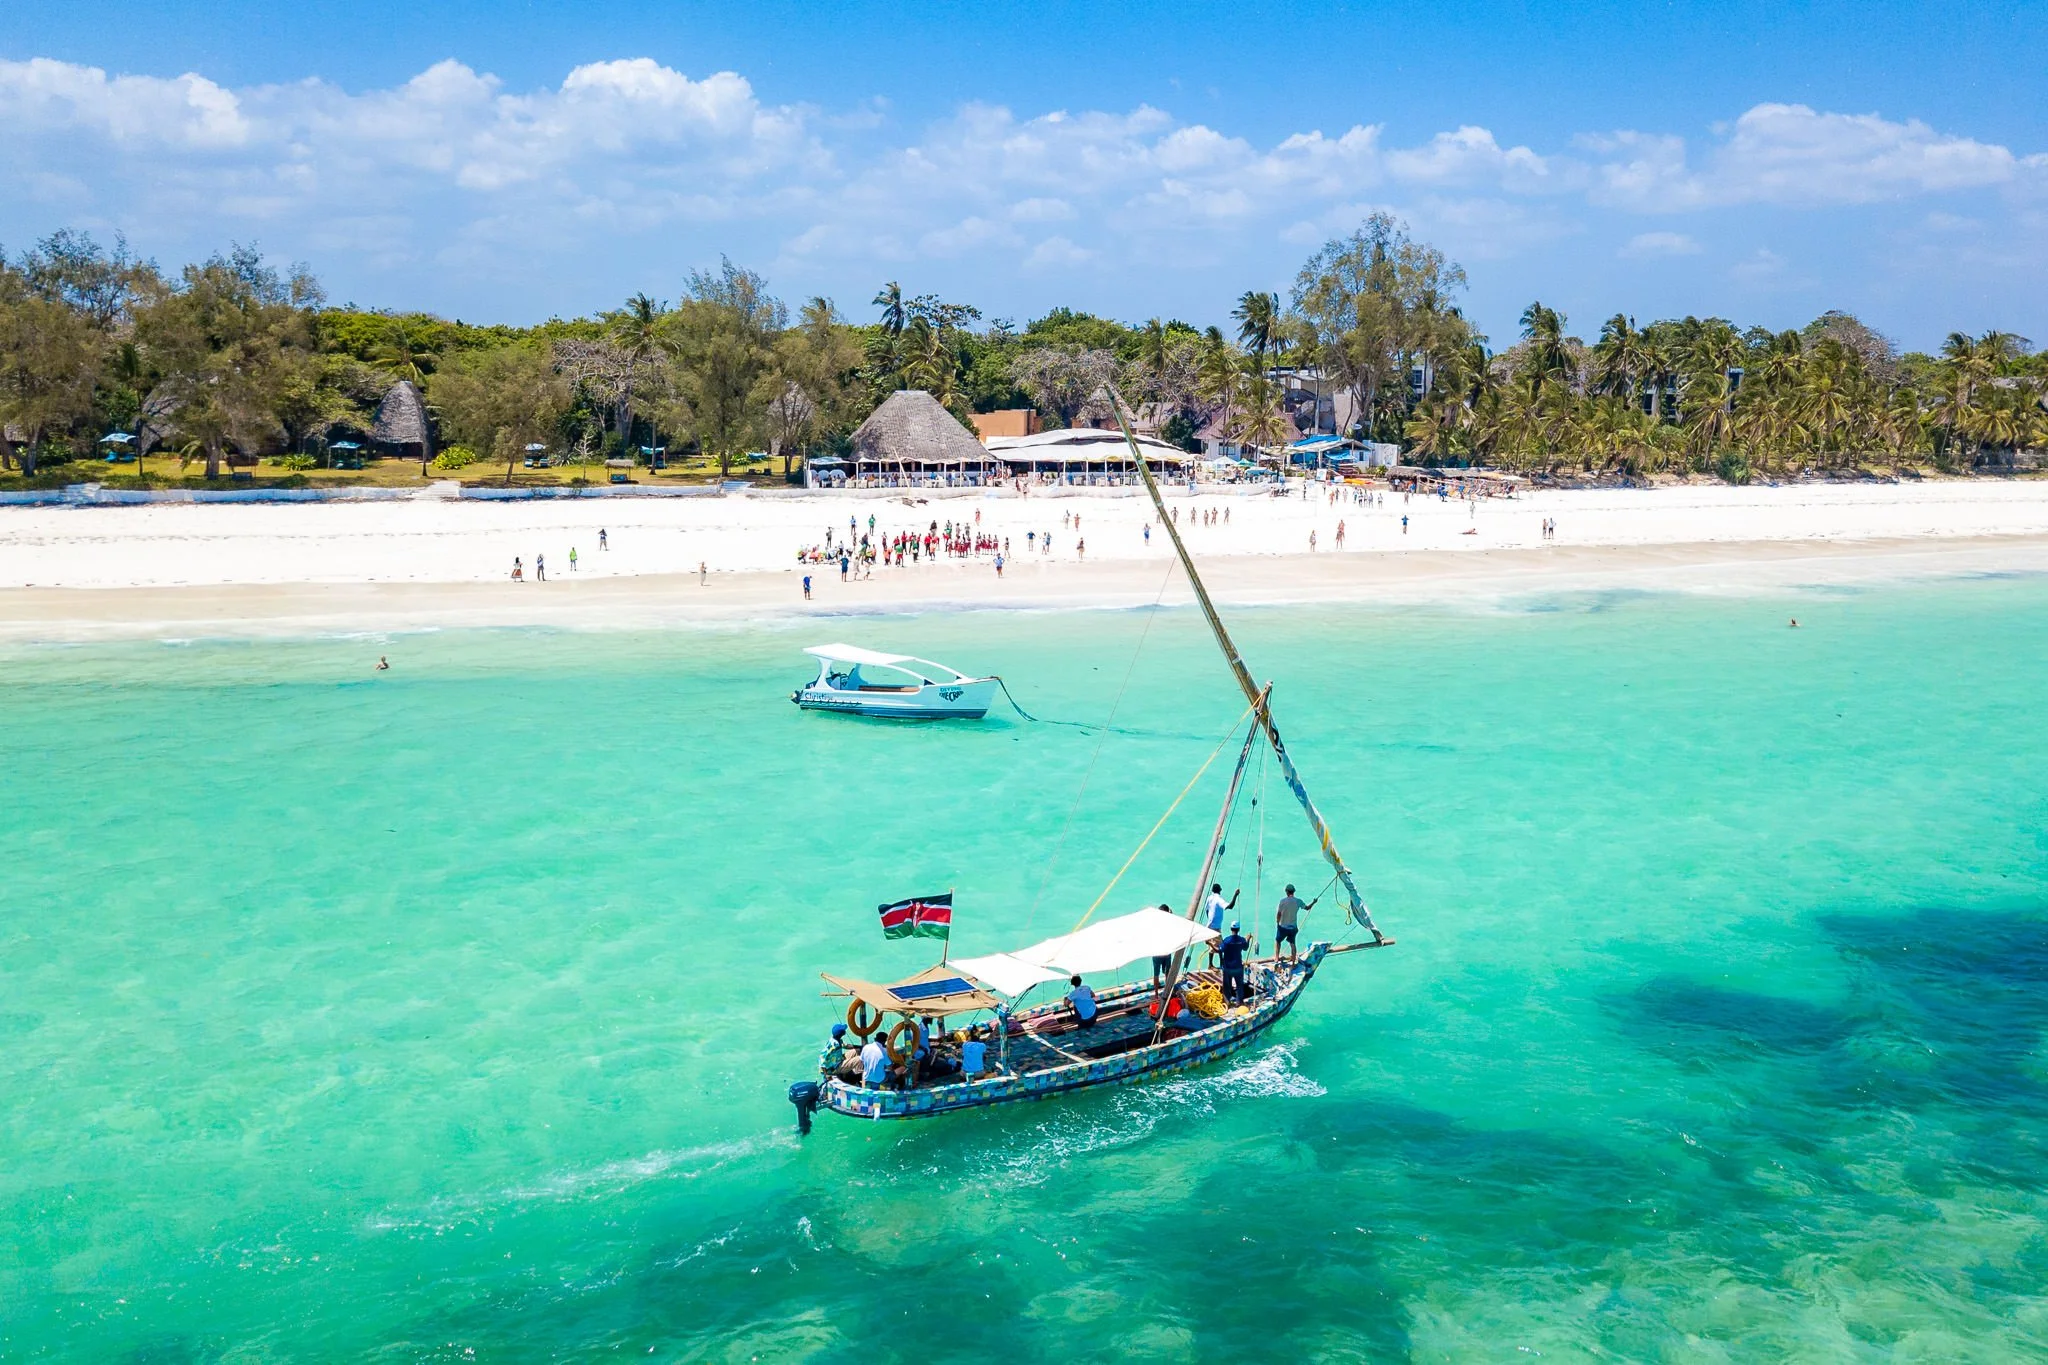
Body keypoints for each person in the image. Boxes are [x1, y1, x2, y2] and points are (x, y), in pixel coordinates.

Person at [1275, 883, 1314, 962]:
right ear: (1293, 892)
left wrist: (1277, 922)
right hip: (1293, 927)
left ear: (1286, 892)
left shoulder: (1282, 901)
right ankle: (1293, 960)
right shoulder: (1298, 901)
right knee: (1292, 943)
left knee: (1278, 941)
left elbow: (1279, 914)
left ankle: (1276, 958)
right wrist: (1314, 902)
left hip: (1283, 927)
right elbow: (1307, 908)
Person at [1219, 920, 1252, 1005]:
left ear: (1231, 929)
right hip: (1238, 967)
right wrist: (1247, 939)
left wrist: (1211, 944)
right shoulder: (1241, 940)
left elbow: (1220, 950)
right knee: (1239, 986)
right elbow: (1245, 948)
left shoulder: (1227, 940)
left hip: (1228, 968)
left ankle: (1227, 1002)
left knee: (1227, 986)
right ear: (1239, 929)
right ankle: (1239, 1003)